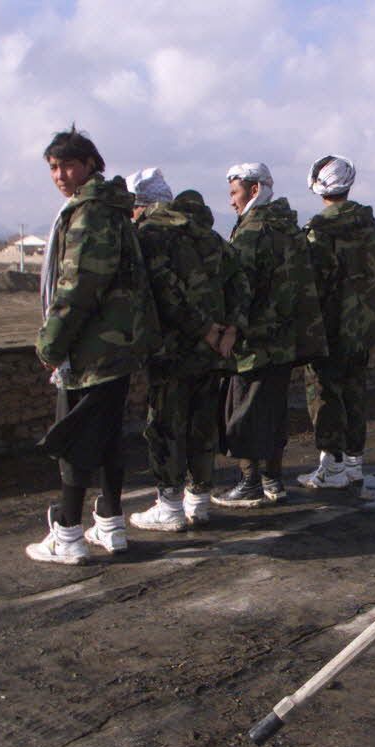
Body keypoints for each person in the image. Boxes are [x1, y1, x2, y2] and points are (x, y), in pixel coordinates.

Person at [26, 127, 156, 565]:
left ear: (89, 165)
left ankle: (67, 531)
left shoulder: (89, 213)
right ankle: (111, 521)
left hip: (90, 349)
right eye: (53, 168)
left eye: (67, 165)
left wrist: (51, 342)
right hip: (117, 345)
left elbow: (78, 286)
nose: (60, 175)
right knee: (106, 437)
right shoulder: (114, 209)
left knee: (74, 438)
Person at [126, 171, 249, 531]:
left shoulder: (151, 235)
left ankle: (169, 507)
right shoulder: (205, 234)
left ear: (140, 205)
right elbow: (239, 282)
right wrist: (230, 330)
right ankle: (199, 501)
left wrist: (206, 330)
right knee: (202, 426)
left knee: (165, 427)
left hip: (173, 352)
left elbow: (165, 292)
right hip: (212, 354)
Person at [213, 163, 325, 508]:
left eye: (235, 192)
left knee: (244, 412)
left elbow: (240, 287)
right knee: (273, 412)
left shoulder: (252, 231)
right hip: (284, 340)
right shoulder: (288, 228)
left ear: (255, 190)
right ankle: (272, 480)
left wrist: (230, 330)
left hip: (254, 342)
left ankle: (250, 482)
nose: (231, 201)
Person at [297, 155, 375, 490]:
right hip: (364, 328)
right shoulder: (371, 227)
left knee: (324, 395)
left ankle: (332, 466)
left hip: (330, 329)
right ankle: (353, 463)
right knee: (354, 392)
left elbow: (310, 285)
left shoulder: (319, 232)